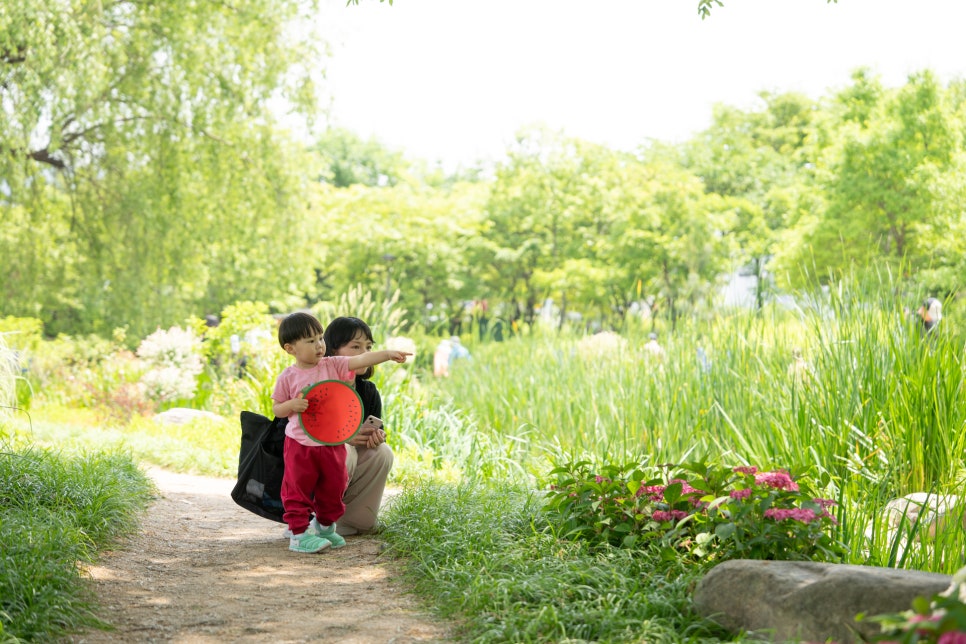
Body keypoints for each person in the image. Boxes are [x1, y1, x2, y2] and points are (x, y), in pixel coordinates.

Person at [272, 312, 410, 554]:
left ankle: (327, 526)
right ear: (290, 348)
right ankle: (298, 532)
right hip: (302, 447)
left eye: (320, 339)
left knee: (334, 487)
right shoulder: (289, 376)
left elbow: (363, 360)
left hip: (330, 448)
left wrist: (388, 354)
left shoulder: (337, 369)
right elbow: (277, 410)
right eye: (310, 341)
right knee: (298, 488)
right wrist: (291, 406)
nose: (318, 345)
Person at [323, 316, 393, 536]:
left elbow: (376, 430)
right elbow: (299, 434)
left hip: (350, 459)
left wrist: (376, 437)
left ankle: (352, 521)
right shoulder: (317, 384)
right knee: (344, 451)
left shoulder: (368, 391)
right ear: (333, 350)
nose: (365, 354)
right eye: (355, 347)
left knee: (382, 452)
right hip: (312, 461)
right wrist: (344, 438)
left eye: (369, 347)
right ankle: (316, 519)